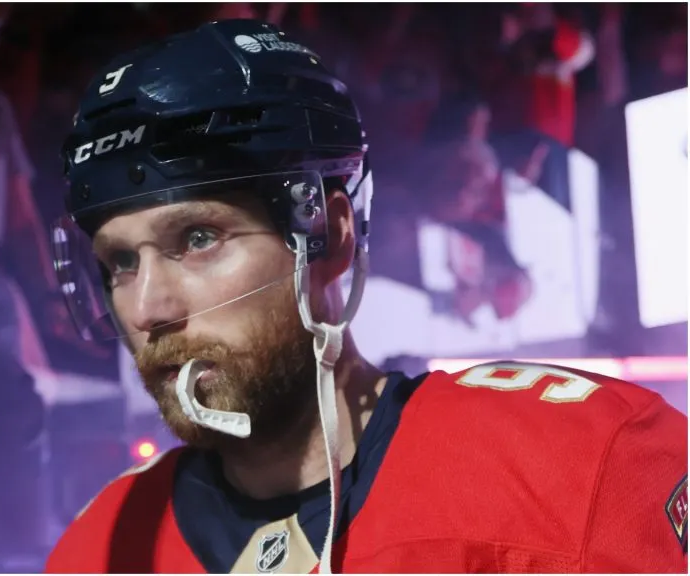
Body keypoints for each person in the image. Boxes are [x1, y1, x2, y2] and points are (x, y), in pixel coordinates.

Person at [44, 19, 688, 573]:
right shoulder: (97, 548)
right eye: (120, 263)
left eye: (199, 237)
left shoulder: (581, 466)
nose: (147, 307)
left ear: (330, 234)